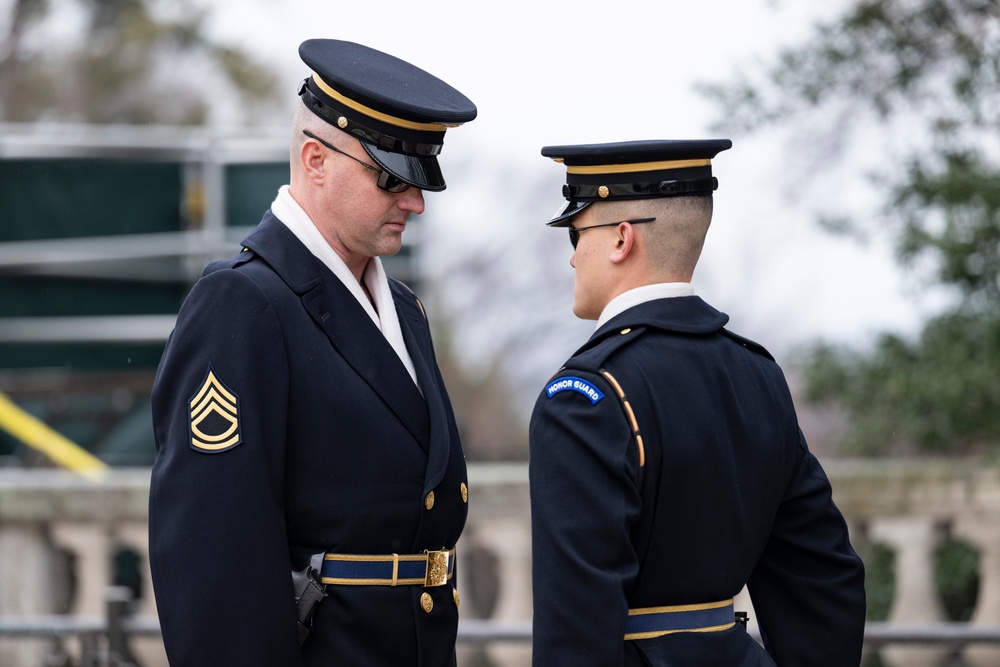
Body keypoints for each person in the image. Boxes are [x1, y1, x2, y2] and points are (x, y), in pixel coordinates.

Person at [148, 38, 476, 666]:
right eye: (390, 177)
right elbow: (215, 561)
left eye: (420, 180)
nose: (414, 201)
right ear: (315, 159)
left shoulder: (403, 309)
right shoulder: (241, 305)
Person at [528, 139, 866, 666]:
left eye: (576, 233)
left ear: (621, 239)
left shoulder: (585, 397)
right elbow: (824, 575)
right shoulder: (758, 375)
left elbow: (576, 622)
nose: (573, 255)